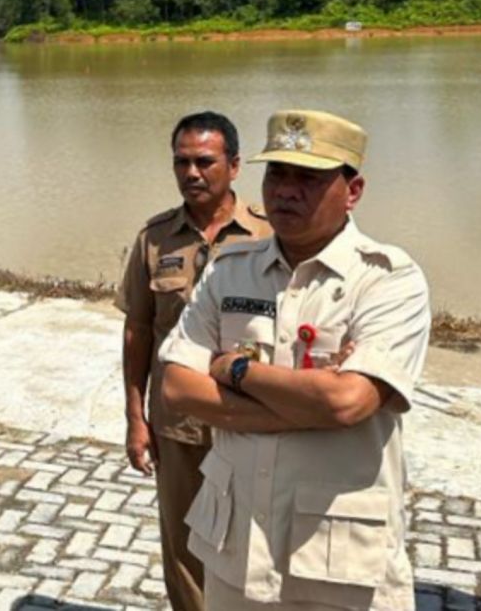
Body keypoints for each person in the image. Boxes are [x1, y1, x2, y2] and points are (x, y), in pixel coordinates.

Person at [159, 110, 430, 610]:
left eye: (308, 178)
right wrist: (308, 405)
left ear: (353, 191)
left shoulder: (388, 280)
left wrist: (236, 370)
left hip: (338, 561)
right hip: (236, 548)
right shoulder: (230, 271)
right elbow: (175, 387)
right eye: (278, 174)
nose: (285, 190)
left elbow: (346, 403)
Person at [115, 111, 271, 610]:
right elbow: (138, 330)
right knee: (184, 548)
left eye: (205, 161)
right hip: (178, 425)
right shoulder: (156, 237)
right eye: (181, 162)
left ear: (235, 165)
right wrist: (135, 418)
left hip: (255, 421)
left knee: (258, 545)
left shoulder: (270, 234)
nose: (192, 173)